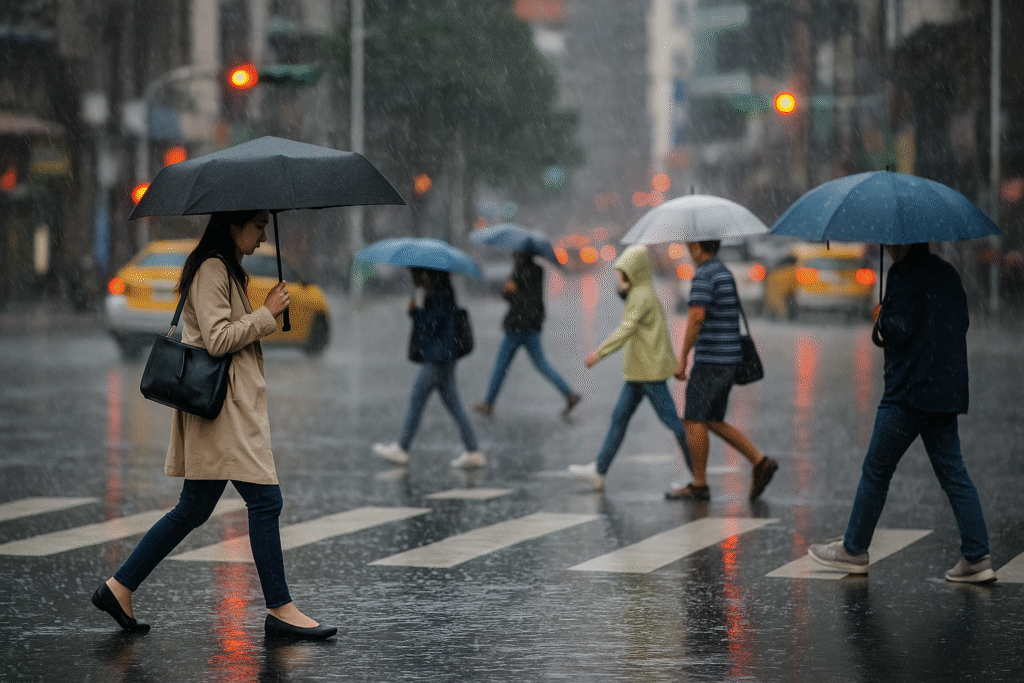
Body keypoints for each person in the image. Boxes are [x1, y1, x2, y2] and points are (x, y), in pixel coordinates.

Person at [92, 209, 336, 640]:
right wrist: (266, 313)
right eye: (258, 226)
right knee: (265, 502)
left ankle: (119, 587)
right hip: (224, 409)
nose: (263, 237)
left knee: (193, 508)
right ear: (233, 225)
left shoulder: (227, 268)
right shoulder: (212, 269)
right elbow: (218, 339)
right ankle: (280, 609)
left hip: (223, 408)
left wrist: (264, 312)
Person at [808, 243, 995, 582]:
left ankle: (854, 549)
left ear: (903, 243)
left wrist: (882, 316)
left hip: (907, 392)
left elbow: (897, 329)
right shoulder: (947, 273)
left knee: (876, 470)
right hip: (944, 390)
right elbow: (961, 322)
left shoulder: (903, 273)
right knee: (954, 473)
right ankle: (977, 556)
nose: (887, 247)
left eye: (890, 243)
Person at [567, 245, 691, 491]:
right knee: (619, 418)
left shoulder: (641, 296)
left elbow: (626, 330)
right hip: (639, 371)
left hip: (648, 373)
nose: (620, 278)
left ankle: (697, 473)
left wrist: (599, 353)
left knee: (673, 423)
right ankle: (599, 470)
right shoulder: (641, 292)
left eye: (623, 274)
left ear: (635, 272)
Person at [668, 240, 777, 501]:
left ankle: (699, 485)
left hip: (711, 361)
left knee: (693, 419)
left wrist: (682, 358)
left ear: (697, 246)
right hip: (728, 359)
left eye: (690, 245)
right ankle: (759, 461)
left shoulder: (704, 275)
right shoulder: (723, 272)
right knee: (711, 419)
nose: (688, 250)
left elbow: (696, 317)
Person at [373, 267, 485, 469]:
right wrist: (418, 311)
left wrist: (416, 313)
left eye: (420, 275)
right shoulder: (442, 293)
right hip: (444, 358)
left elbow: (430, 326)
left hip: (437, 359)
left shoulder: (439, 295)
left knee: (417, 399)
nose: (418, 279)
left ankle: (402, 447)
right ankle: (473, 450)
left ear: (430, 275)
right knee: (454, 406)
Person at [473, 251, 581, 419]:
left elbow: (515, 298)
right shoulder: (537, 270)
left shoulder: (519, 272)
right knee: (541, 364)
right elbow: (530, 297)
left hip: (517, 327)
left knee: (501, 366)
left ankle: (488, 402)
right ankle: (569, 394)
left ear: (519, 254)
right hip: (532, 326)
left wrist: (509, 290)